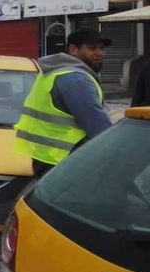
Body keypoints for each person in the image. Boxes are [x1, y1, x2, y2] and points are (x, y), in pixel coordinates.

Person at [14, 29, 113, 179]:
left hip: (48, 157)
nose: (99, 53)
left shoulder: (54, 72)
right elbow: (97, 125)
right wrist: (118, 149)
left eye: (101, 48)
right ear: (73, 50)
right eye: (92, 48)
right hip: (69, 160)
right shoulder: (76, 79)